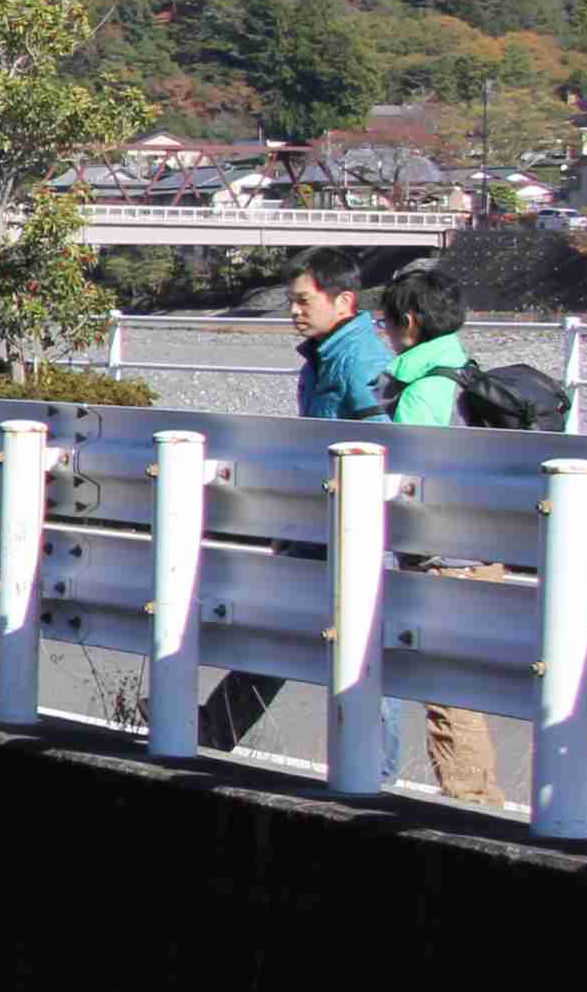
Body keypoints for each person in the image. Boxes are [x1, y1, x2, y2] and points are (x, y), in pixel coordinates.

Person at [199, 249, 393, 754]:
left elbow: (383, 441)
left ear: (343, 301)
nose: (294, 311)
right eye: (291, 301)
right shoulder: (324, 354)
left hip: (355, 521)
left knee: (359, 645)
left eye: (304, 301)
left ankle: (374, 766)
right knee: (285, 625)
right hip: (320, 517)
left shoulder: (359, 360)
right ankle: (217, 725)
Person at [372, 267, 506, 807]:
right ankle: (478, 799)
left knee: (450, 698)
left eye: (384, 323)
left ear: (408, 322)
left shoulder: (425, 388)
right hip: (484, 549)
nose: (382, 333)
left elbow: (407, 475)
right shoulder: (465, 372)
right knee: (457, 689)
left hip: (444, 556)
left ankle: (475, 805)